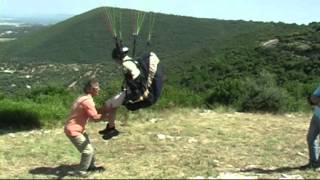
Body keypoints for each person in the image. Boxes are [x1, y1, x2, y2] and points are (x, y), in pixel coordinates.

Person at [99, 46, 161, 140]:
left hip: (134, 92)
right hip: (131, 90)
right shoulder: (131, 61)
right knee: (112, 105)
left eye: (116, 59)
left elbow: (135, 73)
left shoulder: (127, 64)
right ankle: (111, 128)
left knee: (109, 104)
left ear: (118, 58)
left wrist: (133, 79)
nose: (116, 62)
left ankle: (112, 129)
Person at [64, 79, 105, 176]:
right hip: (74, 130)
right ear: (90, 89)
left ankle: (91, 166)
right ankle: (81, 171)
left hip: (78, 129)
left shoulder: (83, 98)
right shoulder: (87, 101)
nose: (99, 89)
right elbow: (95, 118)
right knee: (88, 150)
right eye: (97, 87)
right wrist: (107, 113)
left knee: (89, 148)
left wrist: (104, 111)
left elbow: (93, 113)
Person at [303, 86, 320, 170]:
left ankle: (317, 165)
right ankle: (313, 163)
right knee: (311, 138)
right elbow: (312, 98)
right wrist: (316, 100)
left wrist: (317, 100)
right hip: (316, 116)